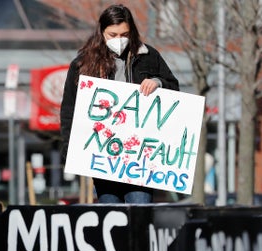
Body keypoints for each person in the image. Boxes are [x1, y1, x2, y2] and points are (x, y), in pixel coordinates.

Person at [60, 4, 179, 204]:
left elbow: (174, 89)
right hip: (104, 154)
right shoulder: (82, 65)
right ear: (101, 32)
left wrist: (158, 82)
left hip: (140, 155)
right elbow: (69, 110)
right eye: (112, 35)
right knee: (111, 212)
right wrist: (70, 149)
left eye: (124, 34)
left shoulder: (148, 57)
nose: (119, 40)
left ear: (132, 31)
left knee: (139, 210)